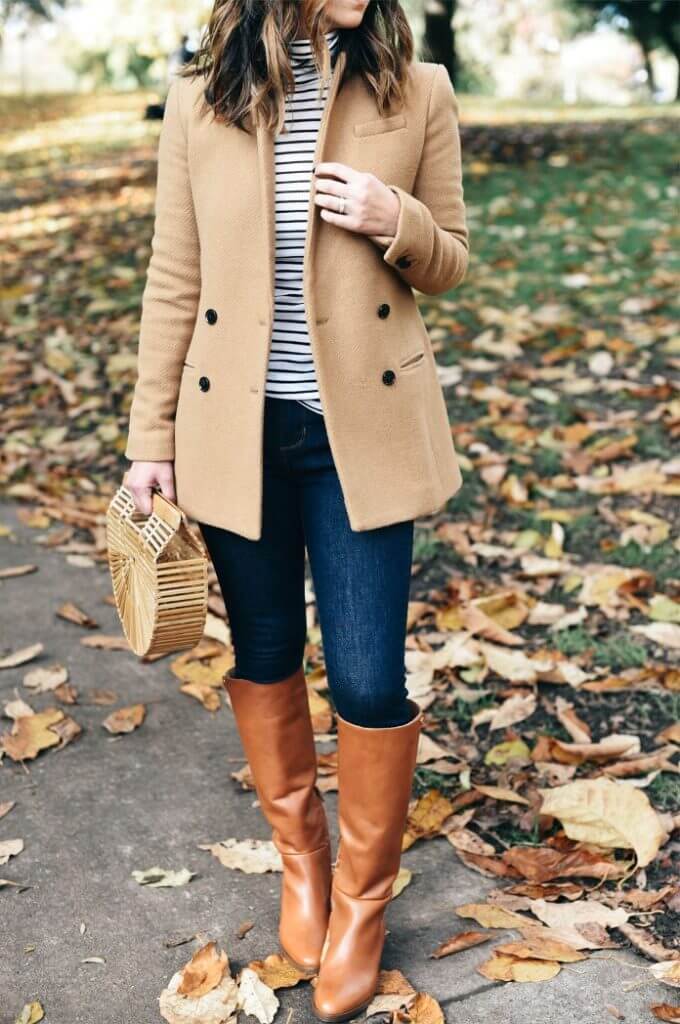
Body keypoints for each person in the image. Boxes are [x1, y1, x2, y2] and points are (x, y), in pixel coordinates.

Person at [124, 1, 468, 1019]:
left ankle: (361, 903)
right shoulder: (201, 98)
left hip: (360, 432)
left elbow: (449, 257)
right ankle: (304, 865)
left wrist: (390, 217)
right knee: (264, 652)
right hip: (235, 430)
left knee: (366, 677)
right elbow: (173, 278)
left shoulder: (420, 91)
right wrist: (149, 439)